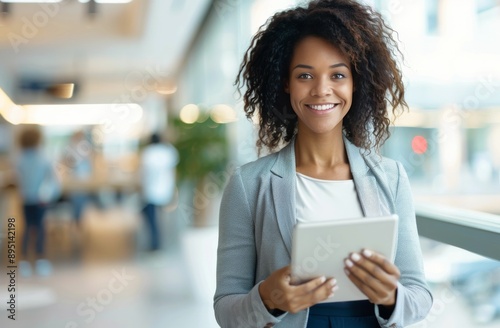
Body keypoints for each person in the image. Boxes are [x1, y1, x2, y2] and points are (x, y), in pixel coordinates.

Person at [214, 1, 433, 327]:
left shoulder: (391, 177)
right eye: (305, 75)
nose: (321, 90)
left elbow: (419, 296)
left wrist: (390, 298)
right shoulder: (249, 184)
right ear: (286, 83)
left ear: (355, 83)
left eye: (338, 74)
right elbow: (226, 309)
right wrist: (268, 298)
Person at [15, 126, 60, 277]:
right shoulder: (43, 159)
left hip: (26, 199)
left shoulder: (19, 159)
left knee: (27, 228)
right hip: (40, 199)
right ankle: (40, 259)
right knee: (40, 228)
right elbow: (52, 181)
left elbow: (17, 179)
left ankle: (25, 260)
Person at [139, 132, 179, 251]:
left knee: (150, 216)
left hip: (151, 190)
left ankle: (155, 242)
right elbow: (174, 171)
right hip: (166, 189)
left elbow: (143, 173)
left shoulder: (147, 153)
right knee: (161, 217)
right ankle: (163, 239)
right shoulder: (169, 152)